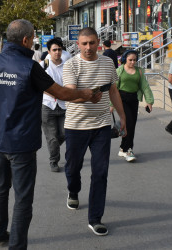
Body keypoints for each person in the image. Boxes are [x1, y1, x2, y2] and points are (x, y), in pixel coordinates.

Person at [0, 19, 94, 249]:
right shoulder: (30, 67)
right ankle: (17, 246)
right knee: (22, 198)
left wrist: (3, 107)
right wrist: (87, 94)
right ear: (27, 40)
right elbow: (61, 93)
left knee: (0, 189)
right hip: (21, 143)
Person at [63, 27, 127, 236]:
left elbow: (113, 90)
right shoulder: (71, 65)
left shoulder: (108, 62)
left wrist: (122, 117)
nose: (88, 47)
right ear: (78, 44)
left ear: (98, 42)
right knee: (73, 168)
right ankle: (73, 190)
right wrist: (89, 97)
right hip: (76, 126)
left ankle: (95, 218)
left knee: (100, 173)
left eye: (92, 43)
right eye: (84, 43)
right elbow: (70, 95)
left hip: (101, 126)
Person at [114, 50, 154, 162]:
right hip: (121, 99)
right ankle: (128, 150)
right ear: (125, 59)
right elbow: (114, 89)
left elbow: (144, 86)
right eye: (130, 60)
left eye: (134, 60)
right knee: (129, 124)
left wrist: (149, 101)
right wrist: (112, 104)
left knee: (131, 125)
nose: (132, 62)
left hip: (133, 99)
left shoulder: (139, 71)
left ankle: (122, 148)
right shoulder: (119, 71)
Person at [39, 38, 66, 172]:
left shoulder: (67, 66)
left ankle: (54, 146)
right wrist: (52, 93)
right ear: (49, 51)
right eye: (54, 50)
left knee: (65, 134)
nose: (57, 52)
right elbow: (36, 85)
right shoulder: (42, 66)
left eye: (59, 50)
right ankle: (54, 161)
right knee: (52, 138)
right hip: (47, 105)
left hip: (64, 105)